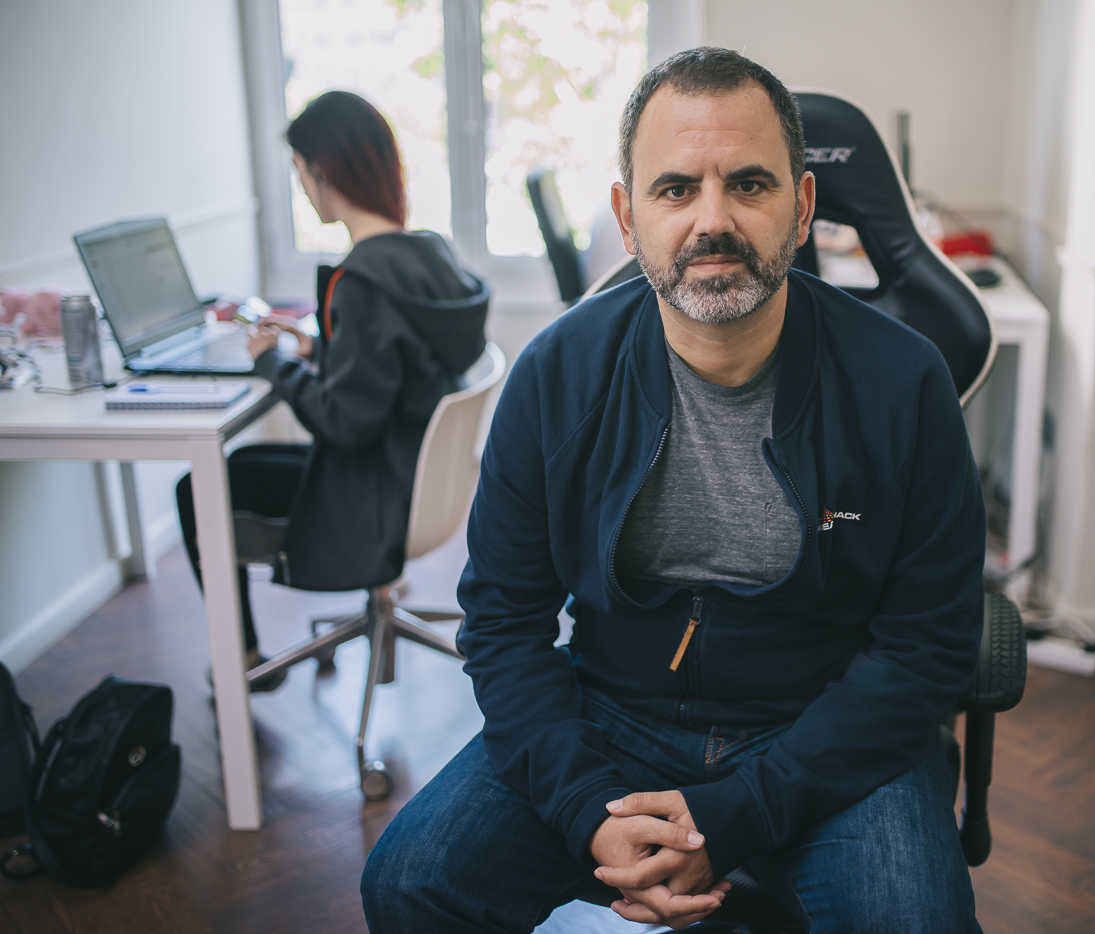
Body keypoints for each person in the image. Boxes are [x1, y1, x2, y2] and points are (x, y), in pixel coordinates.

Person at [362, 48, 984, 932]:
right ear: (627, 218)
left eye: (751, 184)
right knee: (411, 880)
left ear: (801, 208)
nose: (712, 221)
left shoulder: (903, 381)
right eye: (675, 189)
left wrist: (739, 813)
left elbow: (927, 646)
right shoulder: (556, 378)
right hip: (616, 711)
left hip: (825, 725)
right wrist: (586, 809)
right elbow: (503, 621)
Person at [175, 90, 489, 690]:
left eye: (301, 176)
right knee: (240, 464)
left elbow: (344, 422)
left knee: (202, 486)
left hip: (370, 497)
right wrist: (321, 347)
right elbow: (403, 360)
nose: (304, 190)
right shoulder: (429, 254)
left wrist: (273, 362)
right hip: (418, 479)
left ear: (323, 173)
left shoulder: (362, 279)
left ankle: (243, 660)